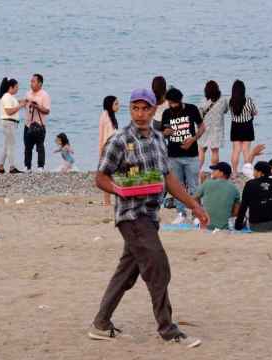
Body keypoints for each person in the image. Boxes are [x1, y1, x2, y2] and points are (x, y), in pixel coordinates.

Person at [89, 88, 209, 348]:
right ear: (130, 110)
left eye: (145, 109)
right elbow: (100, 177)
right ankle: (168, 329)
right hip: (131, 216)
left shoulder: (157, 138)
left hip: (151, 215)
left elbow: (169, 179)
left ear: (155, 110)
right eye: (135, 108)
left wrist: (194, 207)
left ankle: (101, 323)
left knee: (126, 272)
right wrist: (118, 189)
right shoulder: (118, 140)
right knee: (158, 267)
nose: (140, 114)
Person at [161, 88, 206, 224]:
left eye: (174, 103)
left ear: (180, 100)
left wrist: (193, 139)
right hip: (173, 155)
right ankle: (181, 213)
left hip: (191, 154)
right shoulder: (167, 112)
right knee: (178, 187)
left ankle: (196, 213)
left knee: (194, 186)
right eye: (170, 103)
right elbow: (162, 133)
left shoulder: (191, 109)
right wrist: (166, 133)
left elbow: (202, 127)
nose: (172, 106)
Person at [235, 161, 272, 232]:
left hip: (253, 227)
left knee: (247, 201)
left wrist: (238, 225)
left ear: (259, 172)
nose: (253, 173)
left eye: (254, 170)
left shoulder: (249, 184)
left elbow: (243, 206)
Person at [193, 162, 240, 230]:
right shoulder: (234, 188)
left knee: (195, 215)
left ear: (221, 173)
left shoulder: (207, 183)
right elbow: (236, 212)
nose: (212, 172)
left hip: (205, 224)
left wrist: (200, 210)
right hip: (224, 227)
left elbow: (195, 198)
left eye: (215, 170)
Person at [198, 80, 229, 182]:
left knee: (202, 150)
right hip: (217, 128)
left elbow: (199, 113)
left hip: (204, 128)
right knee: (215, 151)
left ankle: (197, 170)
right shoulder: (223, 100)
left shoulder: (203, 101)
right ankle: (214, 173)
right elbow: (225, 111)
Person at [0, 78, 26, 174]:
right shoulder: (7, 97)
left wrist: (23, 102)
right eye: (16, 87)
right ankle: (12, 167)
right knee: (11, 146)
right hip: (9, 123)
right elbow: (9, 111)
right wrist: (20, 106)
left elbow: (16, 102)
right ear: (11, 87)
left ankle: (0, 167)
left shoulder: (10, 97)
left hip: (9, 123)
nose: (18, 89)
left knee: (6, 146)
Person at [229, 79, 258, 176]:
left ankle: (234, 172)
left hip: (235, 126)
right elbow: (255, 112)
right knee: (246, 150)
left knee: (236, 150)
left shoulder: (231, 101)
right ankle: (248, 171)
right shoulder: (248, 100)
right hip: (247, 126)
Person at [24, 74, 51, 172]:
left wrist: (37, 106)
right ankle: (27, 167)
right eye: (31, 81)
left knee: (40, 146)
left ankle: (40, 166)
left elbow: (47, 111)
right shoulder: (28, 93)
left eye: (33, 81)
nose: (31, 83)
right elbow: (25, 105)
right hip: (28, 124)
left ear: (40, 83)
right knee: (27, 146)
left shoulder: (45, 95)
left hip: (40, 125)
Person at [98, 95, 119, 205]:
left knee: (111, 175)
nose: (118, 106)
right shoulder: (105, 116)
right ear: (109, 105)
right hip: (107, 150)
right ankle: (107, 202)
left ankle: (108, 201)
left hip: (113, 150)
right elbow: (105, 136)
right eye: (116, 104)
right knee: (107, 176)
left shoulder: (111, 116)